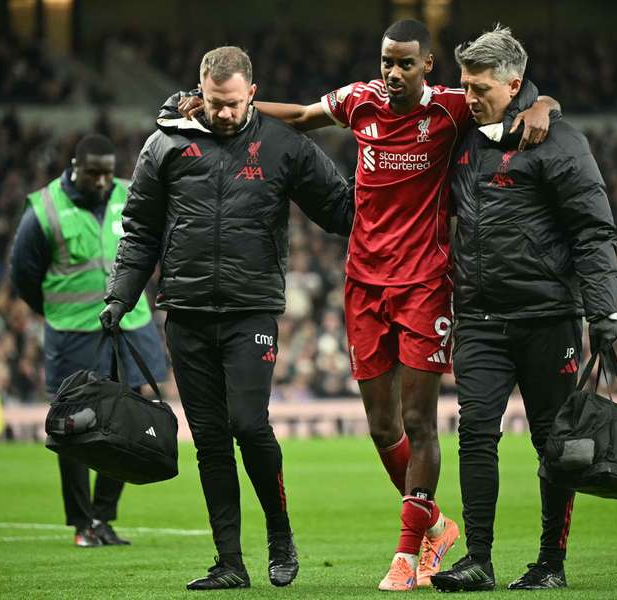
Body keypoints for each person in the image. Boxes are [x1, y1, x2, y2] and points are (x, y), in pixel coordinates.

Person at [174, 19, 559, 591]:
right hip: (363, 282)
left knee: (418, 422)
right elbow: (304, 117)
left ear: (428, 66)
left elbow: (511, 94)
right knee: (382, 427)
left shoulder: (451, 110)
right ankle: (434, 526)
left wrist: (543, 103)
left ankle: (409, 554)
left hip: (425, 283)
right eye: (386, 62)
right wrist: (218, 109)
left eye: (405, 63)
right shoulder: (362, 102)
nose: (393, 73)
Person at [101, 46, 353, 590]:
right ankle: (229, 562)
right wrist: (119, 296)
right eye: (215, 104)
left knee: (248, 424)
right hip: (186, 312)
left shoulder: (285, 144)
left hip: (251, 310)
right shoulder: (165, 144)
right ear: (200, 94)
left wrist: (399, 192)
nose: (224, 113)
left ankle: (280, 536)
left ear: (252, 94)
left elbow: (342, 209)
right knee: (211, 440)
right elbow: (140, 230)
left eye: (234, 104)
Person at [429, 26, 617, 592]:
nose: (468, 97)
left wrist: (602, 311)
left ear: (514, 85)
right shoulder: (464, 135)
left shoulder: (559, 142)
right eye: (464, 85)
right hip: (480, 319)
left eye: (480, 87)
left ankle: (550, 563)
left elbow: (593, 230)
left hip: (547, 318)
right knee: (475, 434)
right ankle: (479, 560)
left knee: (553, 443)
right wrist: (538, 100)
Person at [9, 134, 168, 548]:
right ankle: (82, 523)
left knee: (128, 422)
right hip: (74, 333)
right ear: (74, 167)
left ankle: (103, 517)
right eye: (93, 172)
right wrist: (59, 313)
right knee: (73, 426)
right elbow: (23, 274)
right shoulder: (44, 209)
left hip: (129, 327)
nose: (101, 181)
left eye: (107, 172)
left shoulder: (131, 196)